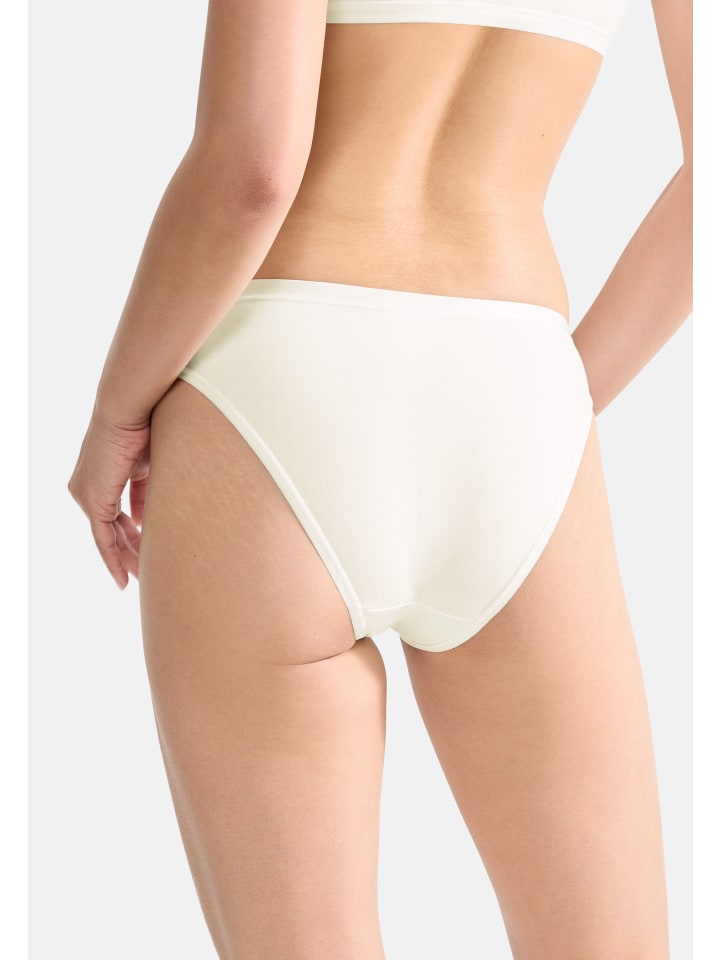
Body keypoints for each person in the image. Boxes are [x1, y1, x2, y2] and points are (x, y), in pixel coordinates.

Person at [67, 0, 692, 956]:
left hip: (276, 382)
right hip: (512, 380)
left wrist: (116, 414)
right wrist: (558, 406)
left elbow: (252, 171)